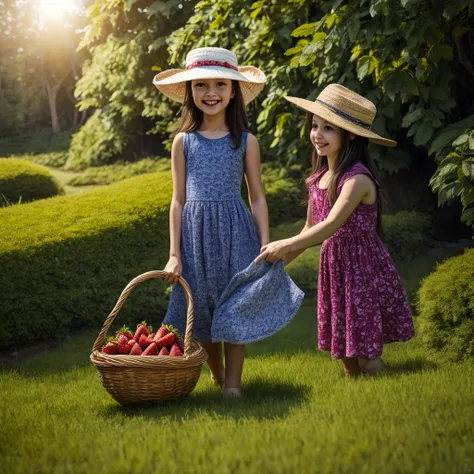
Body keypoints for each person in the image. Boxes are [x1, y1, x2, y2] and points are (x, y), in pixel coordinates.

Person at [153, 47, 303, 396]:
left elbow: (257, 196)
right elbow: (177, 200)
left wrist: (266, 241)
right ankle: (217, 375)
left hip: (237, 232)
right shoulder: (183, 142)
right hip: (194, 236)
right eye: (201, 85)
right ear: (190, 91)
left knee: (235, 304)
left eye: (220, 84)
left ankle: (232, 386)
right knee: (200, 309)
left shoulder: (246, 141)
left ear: (233, 91)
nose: (211, 93)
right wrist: (174, 253)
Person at [255, 84, 414, 377]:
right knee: (347, 357)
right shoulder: (317, 180)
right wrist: (274, 267)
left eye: (328, 128)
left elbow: (331, 225)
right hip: (335, 269)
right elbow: (310, 228)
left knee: (365, 353)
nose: (317, 134)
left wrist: (284, 242)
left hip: (361, 269)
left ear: (350, 134)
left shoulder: (357, 180)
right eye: (315, 126)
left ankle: (385, 391)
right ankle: (359, 394)